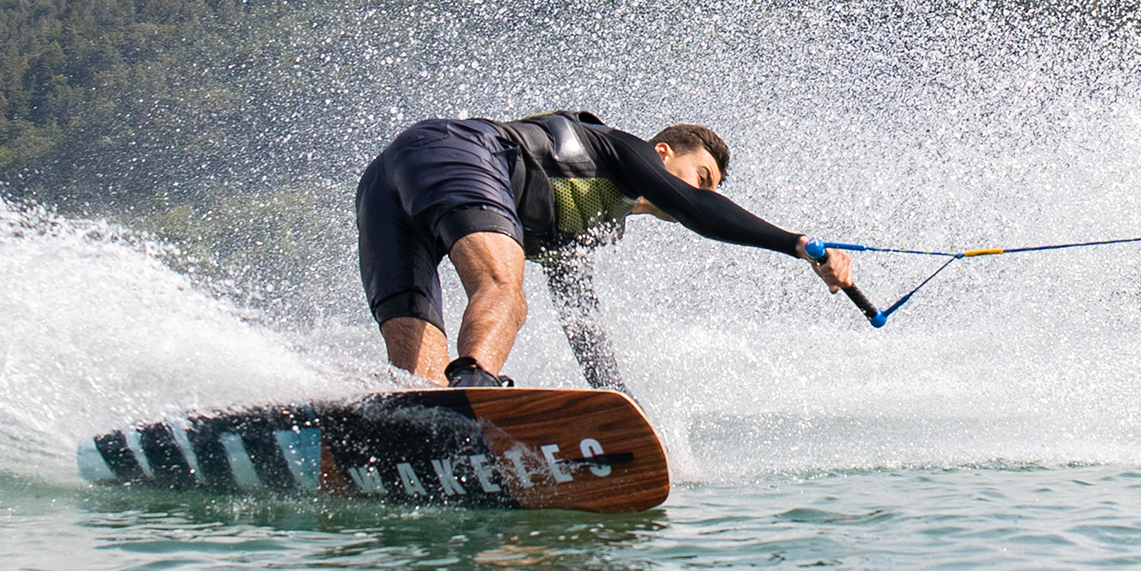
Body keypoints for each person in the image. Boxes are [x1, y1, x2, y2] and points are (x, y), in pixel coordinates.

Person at [355, 110, 854, 392]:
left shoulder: (585, 221)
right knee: (505, 290)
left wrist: (614, 396)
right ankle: (475, 385)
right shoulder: (623, 150)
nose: (703, 194)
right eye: (701, 179)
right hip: (456, 150)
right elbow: (700, 212)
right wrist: (799, 245)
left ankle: (419, 419)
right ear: (663, 154)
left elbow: (581, 320)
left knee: (417, 385)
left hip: (385, 183)